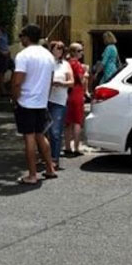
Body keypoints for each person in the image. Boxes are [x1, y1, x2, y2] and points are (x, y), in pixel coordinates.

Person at [12, 24, 57, 185]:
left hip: (26, 101)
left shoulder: (23, 55)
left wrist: (15, 99)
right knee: (41, 135)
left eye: (21, 36)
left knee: (29, 137)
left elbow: (17, 81)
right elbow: (51, 80)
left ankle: (32, 174)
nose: (20, 39)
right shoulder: (48, 55)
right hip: (41, 101)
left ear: (26, 37)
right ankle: (50, 168)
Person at [48, 41, 74, 170]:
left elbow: (72, 82)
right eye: (57, 48)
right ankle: (44, 157)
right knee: (42, 131)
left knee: (55, 131)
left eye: (62, 49)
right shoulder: (47, 62)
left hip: (59, 100)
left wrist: (61, 83)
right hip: (45, 100)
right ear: (51, 49)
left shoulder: (65, 64)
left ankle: (54, 159)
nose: (59, 51)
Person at [64, 43, 88, 157]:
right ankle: (76, 148)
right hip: (77, 93)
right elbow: (82, 80)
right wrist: (86, 72)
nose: (81, 53)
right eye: (79, 51)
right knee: (77, 122)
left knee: (68, 122)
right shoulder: (77, 65)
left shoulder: (67, 63)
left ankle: (67, 146)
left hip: (68, 94)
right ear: (73, 52)